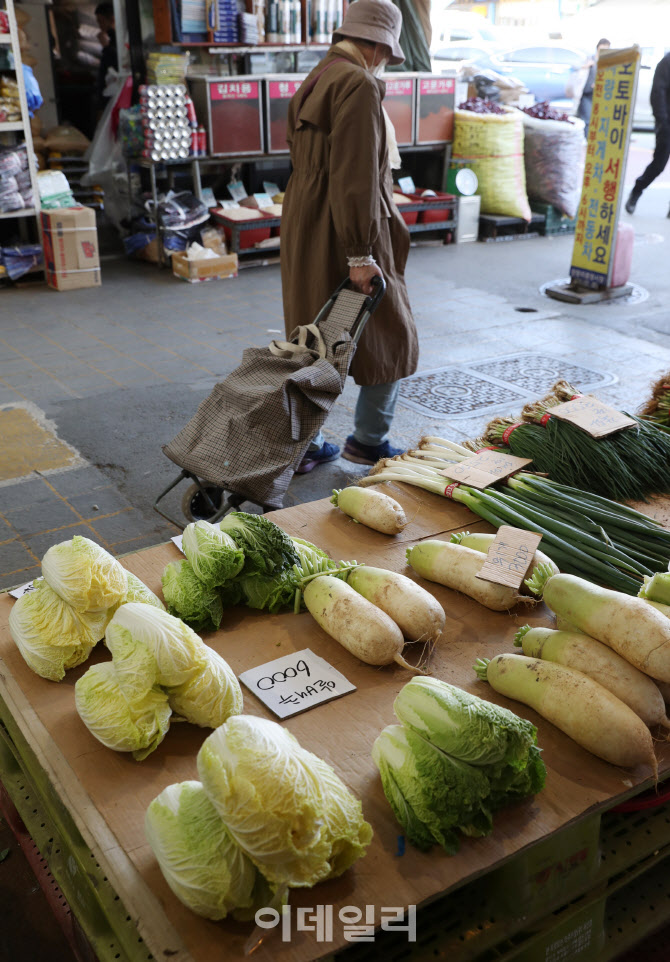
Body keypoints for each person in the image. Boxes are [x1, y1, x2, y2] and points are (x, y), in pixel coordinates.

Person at [280, 0, 419, 472]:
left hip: (308, 221)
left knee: (315, 338)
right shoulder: (358, 83)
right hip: (349, 228)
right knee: (391, 335)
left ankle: (300, 446)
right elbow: (355, 175)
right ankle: (369, 440)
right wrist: (360, 254)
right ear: (380, 44)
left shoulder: (319, 74)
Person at [625, 51, 670, 214]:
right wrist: (662, 121)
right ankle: (637, 189)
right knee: (659, 164)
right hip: (667, 123)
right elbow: (658, 92)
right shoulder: (667, 62)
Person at [576, 38, 610, 135]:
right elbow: (577, 68)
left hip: (600, 94)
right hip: (587, 93)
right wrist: (586, 66)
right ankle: (587, 141)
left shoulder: (608, 63)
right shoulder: (590, 59)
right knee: (587, 119)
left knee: (598, 120)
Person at [95, 1, 118, 110]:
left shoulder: (116, 38)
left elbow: (116, 62)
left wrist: (106, 47)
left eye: (101, 21)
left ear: (112, 19)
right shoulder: (110, 36)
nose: (100, 26)